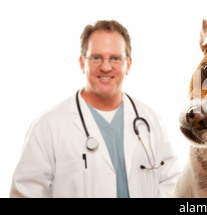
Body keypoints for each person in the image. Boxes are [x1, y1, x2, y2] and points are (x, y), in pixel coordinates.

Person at [10, 20, 180, 198]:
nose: (106, 67)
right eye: (96, 58)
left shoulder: (151, 121)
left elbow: (171, 182)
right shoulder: (47, 126)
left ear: (128, 65)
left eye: (115, 58)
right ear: (82, 63)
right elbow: (26, 193)